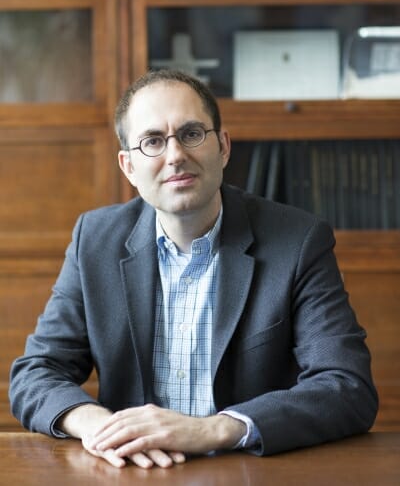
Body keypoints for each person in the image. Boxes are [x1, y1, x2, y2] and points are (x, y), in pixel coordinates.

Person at [9, 69, 378, 469]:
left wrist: (213, 429)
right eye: (152, 141)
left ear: (222, 147)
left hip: (247, 471)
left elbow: (347, 386)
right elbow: (36, 373)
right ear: (128, 166)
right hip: (135, 471)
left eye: (191, 134)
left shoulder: (298, 241)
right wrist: (100, 425)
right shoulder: (95, 241)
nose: (175, 156)